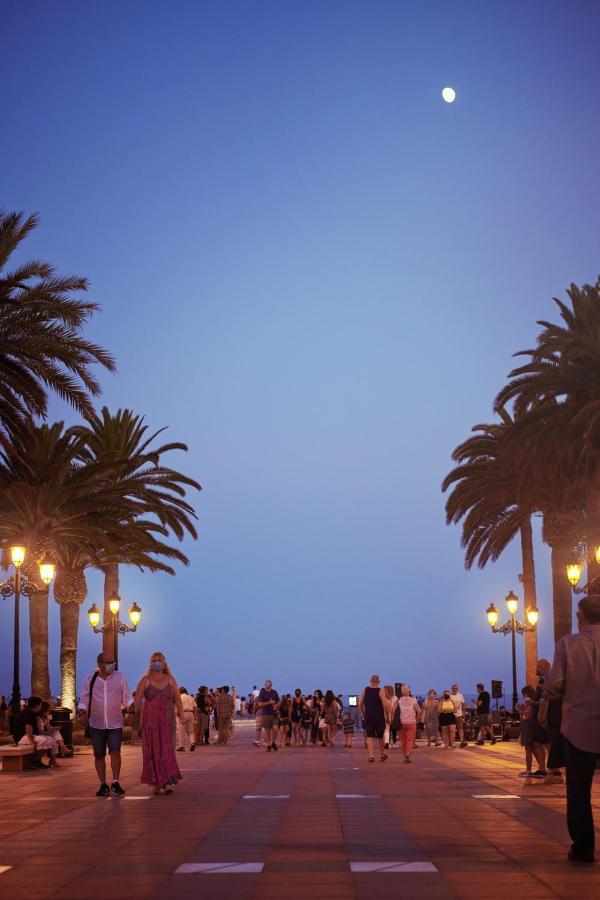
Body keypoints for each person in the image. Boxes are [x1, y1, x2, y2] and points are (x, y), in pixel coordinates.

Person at [544, 594, 600, 863]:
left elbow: (555, 685)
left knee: (579, 792)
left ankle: (583, 848)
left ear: (580, 616)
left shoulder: (567, 644)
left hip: (579, 728)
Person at [79, 652, 132, 796]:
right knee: (99, 754)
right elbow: (84, 698)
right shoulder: (91, 679)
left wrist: (132, 709)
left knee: (115, 752)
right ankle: (102, 784)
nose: (112, 664)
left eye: (113, 661)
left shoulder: (120, 677)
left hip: (115, 722)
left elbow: (126, 697)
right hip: (96, 723)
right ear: (100, 664)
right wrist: (82, 713)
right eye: (108, 662)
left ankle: (115, 782)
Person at [134, 651, 184, 795]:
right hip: (150, 721)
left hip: (167, 720)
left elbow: (178, 699)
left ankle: (167, 781)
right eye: (154, 660)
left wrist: (181, 714)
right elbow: (137, 698)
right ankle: (156, 782)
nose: (156, 662)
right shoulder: (145, 680)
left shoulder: (171, 679)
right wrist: (137, 713)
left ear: (164, 663)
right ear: (150, 663)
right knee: (153, 751)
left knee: (168, 750)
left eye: (159, 660)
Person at [536, 658, 564, 784]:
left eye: (540, 666)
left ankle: (552, 772)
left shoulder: (552, 679)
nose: (538, 669)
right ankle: (554, 772)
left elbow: (559, 694)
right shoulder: (545, 680)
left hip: (555, 714)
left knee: (553, 742)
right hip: (551, 715)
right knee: (551, 743)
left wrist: (545, 691)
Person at [14, 696, 58, 767]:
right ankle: (32, 761)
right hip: (21, 737)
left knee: (51, 740)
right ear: (37, 705)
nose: (41, 706)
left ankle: (37, 761)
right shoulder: (27, 713)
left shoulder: (33, 713)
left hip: (28, 736)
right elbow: (28, 728)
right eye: (40, 704)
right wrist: (32, 742)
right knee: (44, 740)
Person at [518, 685, 547, 778]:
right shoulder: (532, 703)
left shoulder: (533, 702)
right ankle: (541, 768)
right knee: (534, 748)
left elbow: (529, 715)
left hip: (531, 725)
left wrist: (524, 709)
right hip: (531, 725)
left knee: (530, 748)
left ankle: (531, 769)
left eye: (524, 694)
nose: (523, 696)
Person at [358, 675, 387, 763]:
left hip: (369, 716)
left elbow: (360, 704)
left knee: (369, 736)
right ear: (378, 682)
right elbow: (384, 704)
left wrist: (363, 713)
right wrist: (387, 715)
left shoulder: (365, 690)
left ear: (370, 681)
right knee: (380, 736)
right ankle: (382, 755)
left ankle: (371, 756)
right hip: (379, 716)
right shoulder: (381, 691)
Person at [398, 685, 421, 762]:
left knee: (403, 740)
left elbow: (393, 710)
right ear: (409, 691)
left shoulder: (399, 700)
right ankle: (408, 753)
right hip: (411, 722)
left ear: (401, 692)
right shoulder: (414, 700)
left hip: (401, 723)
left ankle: (405, 755)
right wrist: (417, 720)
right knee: (410, 739)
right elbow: (419, 711)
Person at [257, 679, 279, 752]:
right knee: (267, 730)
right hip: (266, 714)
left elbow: (278, 702)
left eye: (269, 682)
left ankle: (273, 743)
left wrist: (276, 706)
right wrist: (269, 702)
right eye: (266, 682)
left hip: (274, 714)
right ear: (264, 684)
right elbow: (260, 704)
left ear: (271, 684)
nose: (268, 683)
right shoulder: (262, 692)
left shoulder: (274, 692)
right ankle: (268, 745)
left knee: (275, 729)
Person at [176, 686, 197, 752]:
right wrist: (194, 716)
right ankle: (193, 742)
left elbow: (178, 706)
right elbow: (195, 708)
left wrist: (178, 715)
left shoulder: (179, 697)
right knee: (190, 731)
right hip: (190, 713)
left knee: (181, 731)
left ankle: (181, 746)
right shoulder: (191, 697)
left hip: (183, 713)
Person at [382, 685, 396, 750]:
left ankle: (386, 742)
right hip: (390, 715)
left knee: (384, 729)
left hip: (383, 715)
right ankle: (387, 742)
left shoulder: (383, 698)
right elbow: (392, 709)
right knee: (387, 729)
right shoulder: (392, 699)